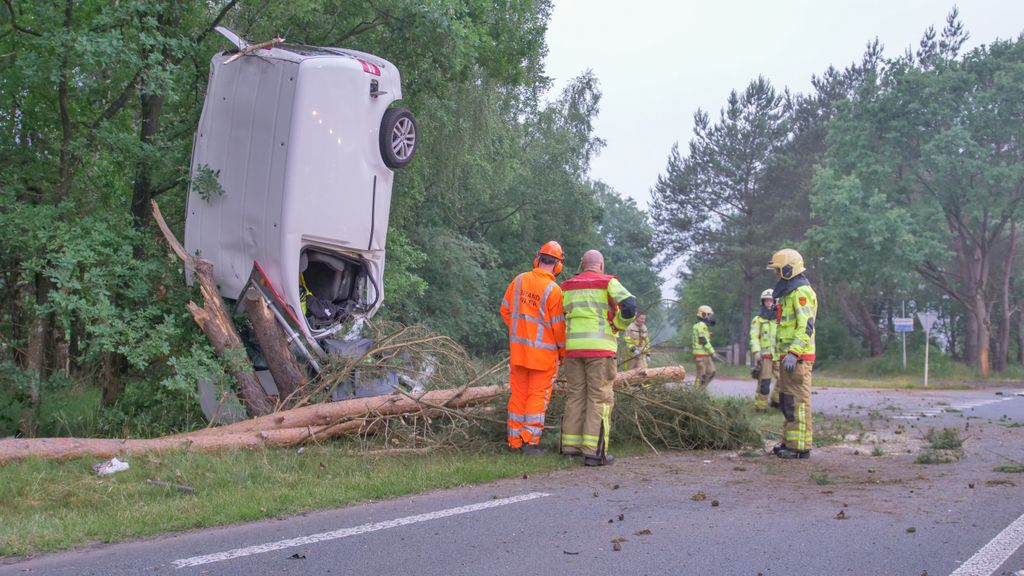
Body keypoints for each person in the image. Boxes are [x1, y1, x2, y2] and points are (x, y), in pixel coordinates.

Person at [560, 250, 637, 466]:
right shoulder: (607, 283)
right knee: (599, 398)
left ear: (582, 265)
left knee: (575, 395)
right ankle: (594, 452)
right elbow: (630, 305)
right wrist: (618, 324)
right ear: (601, 265)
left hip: (573, 349)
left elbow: (559, 314)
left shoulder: (567, 286)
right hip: (600, 350)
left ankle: (570, 447)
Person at [499, 241, 567, 455]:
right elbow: (558, 327)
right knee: (537, 398)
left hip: (519, 353)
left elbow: (505, 311)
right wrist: (563, 353)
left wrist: (520, 331)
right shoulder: (554, 291)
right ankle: (529, 442)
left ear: (537, 259)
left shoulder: (519, 281)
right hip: (543, 356)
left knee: (518, 396)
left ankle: (514, 442)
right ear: (558, 266)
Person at [766, 248, 818, 459]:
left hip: (798, 358)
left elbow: (806, 325)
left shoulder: (802, 292)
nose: (776, 275)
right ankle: (790, 441)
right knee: (788, 401)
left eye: (778, 271)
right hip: (788, 357)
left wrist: (794, 352)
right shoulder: (789, 294)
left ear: (788, 270)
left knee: (799, 401)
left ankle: (801, 447)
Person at [749, 289, 779, 412]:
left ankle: (776, 401)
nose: (769, 303)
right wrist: (756, 352)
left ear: (775, 301)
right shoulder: (758, 319)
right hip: (765, 356)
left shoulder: (779, 319)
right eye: (766, 300)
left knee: (784, 380)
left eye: (771, 300)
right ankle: (761, 407)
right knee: (764, 383)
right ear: (763, 302)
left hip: (778, 356)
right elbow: (754, 337)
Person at [692, 305, 716, 389]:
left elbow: (703, 337)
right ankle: (695, 394)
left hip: (705, 354)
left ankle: (701, 390)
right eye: (709, 315)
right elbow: (703, 340)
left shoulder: (703, 326)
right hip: (700, 356)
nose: (710, 317)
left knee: (711, 372)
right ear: (704, 315)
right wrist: (712, 351)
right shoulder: (700, 325)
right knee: (701, 376)